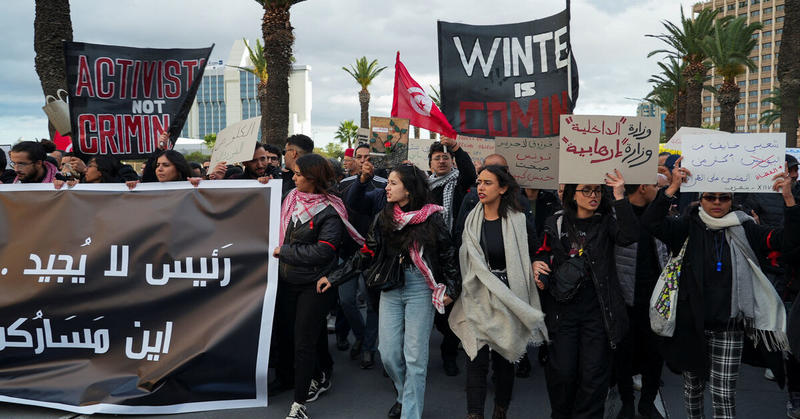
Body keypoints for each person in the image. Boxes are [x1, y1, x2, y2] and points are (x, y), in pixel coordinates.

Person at [643, 158, 797, 419]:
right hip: (691, 327)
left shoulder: (746, 227)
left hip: (730, 327)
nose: (716, 203)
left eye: (723, 198)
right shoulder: (687, 225)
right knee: (693, 391)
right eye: (710, 197)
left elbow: (786, 241)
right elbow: (650, 224)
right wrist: (671, 188)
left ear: (731, 200)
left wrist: (789, 199)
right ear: (700, 199)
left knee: (724, 394)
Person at [324, 163, 461, 419]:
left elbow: (447, 255)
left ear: (408, 190)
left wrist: (452, 288)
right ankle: (402, 393)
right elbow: (366, 253)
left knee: (415, 358)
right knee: (387, 354)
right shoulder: (384, 217)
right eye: (388, 183)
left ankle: (410, 412)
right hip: (390, 287)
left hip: (421, 288)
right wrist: (334, 277)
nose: (386, 187)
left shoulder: (433, 217)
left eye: (393, 183)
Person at [532, 171, 638, 418]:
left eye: (597, 191)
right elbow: (541, 251)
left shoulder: (607, 221)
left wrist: (620, 195)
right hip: (563, 312)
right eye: (587, 190)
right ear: (572, 194)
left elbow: (630, 235)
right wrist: (537, 264)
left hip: (598, 313)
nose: (593, 196)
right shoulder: (555, 222)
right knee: (563, 373)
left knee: (594, 376)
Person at [449, 165, 548, 419]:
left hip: (509, 294)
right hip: (477, 293)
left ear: (502, 188)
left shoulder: (518, 220)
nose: (481, 187)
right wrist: (450, 287)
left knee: (505, 359)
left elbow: (535, 250)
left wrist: (537, 262)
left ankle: (500, 410)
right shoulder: (471, 219)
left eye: (488, 183)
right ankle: (474, 414)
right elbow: (459, 254)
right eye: (479, 182)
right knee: (476, 358)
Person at [274, 153, 364, 419]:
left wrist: (285, 252)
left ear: (312, 178)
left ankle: (298, 404)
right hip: (287, 282)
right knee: (298, 337)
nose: (293, 177)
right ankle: (321, 373)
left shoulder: (331, 211)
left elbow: (324, 252)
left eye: (298, 174)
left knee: (303, 341)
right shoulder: (289, 198)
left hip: (316, 285)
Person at [613, 181, 669, 419]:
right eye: (656, 185)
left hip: (655, 299)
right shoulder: (615, 215)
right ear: (644, 187)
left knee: (654, 355)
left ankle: (647, 402)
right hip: (625, 297)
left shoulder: (660, 215)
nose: (660, 189)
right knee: (623, 354)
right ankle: (626, 403)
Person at [427, 136, 477, 376]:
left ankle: (449, 354)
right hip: (429, 255)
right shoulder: (423, 188)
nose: (442, 161)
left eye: (446, 157)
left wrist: (456, 148)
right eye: (437, 158)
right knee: (435, 307)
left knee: (452, 302)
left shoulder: (460, 183)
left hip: (455, 252)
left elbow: (469, 170)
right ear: (430, 164)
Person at [335, 143, 386, 368]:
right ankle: (362, 335)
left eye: (368, 157)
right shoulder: (343, 184)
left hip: (374, 254)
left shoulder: (386, 184)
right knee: (346, 300)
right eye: (360, 157)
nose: (364, 160)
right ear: (353, 159)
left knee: (373, 303)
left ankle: (368, 348)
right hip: (347, 251)